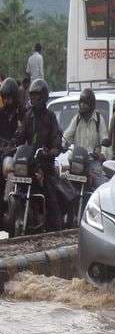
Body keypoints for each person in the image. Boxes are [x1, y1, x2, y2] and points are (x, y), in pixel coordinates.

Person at [15, 79, 62, 231]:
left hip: (45, 162)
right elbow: (20, 136)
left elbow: (57, 142)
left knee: (50, 190)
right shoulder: (28, 116)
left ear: (43, 96)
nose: (33, 98)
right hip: (30, 163)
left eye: (36, 95)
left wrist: (50, 151)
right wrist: (10, 144)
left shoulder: (50, 117)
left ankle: (55, 228)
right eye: (32, 95)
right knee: (14, 182)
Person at [63, 88, 110, 156]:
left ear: (91, 104)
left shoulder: (99, 119)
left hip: (94, 160)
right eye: (81, 102)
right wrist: (61, 145)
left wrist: (102, 154)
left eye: (85, 103)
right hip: (78, 159)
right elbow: (66, 137)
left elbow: (104, 138)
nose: (82, 105)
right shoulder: (76, 119)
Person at [0, 77, 23, 145]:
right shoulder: (1, 113)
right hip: (3, 151)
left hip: (19, 151)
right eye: (5, 98)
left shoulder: (22, 112)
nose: (6, 100)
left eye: (9, 98)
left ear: (14, 96)